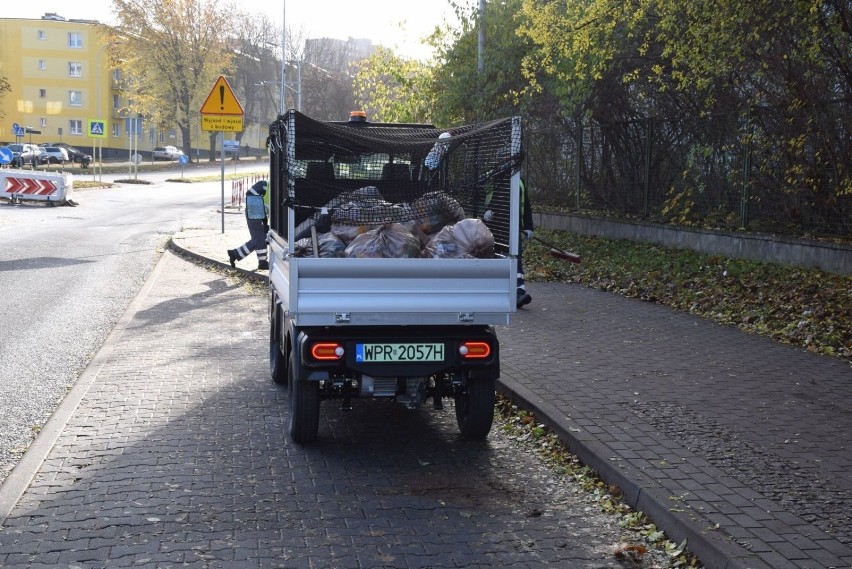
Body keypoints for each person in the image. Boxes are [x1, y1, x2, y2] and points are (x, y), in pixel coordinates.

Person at [227, 180, 270, 270]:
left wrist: (265, 222)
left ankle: (235, 254)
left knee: (259, 239)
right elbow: (249, 193)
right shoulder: (265, 185)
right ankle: (262, 263)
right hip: (254, 213)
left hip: (258, 214)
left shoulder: (274, 189)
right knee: (260, 238)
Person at [516, 177, 534, 308]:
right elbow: (479, 199)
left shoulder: (519, 181)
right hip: (494, 228)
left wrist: (528, 226)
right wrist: (484, 212)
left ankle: (519, 293)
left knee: (516, 258)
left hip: (514, 229)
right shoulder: (491, 178)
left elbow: (526, 205)